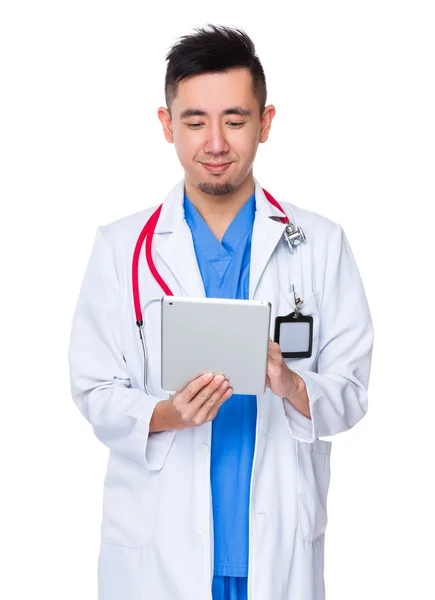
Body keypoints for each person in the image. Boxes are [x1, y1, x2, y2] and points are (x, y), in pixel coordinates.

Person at [68, 24, 374, 600]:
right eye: (194, 121)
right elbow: (93, 389)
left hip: (275, 543)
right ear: (167, 126)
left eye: (234, 121)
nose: (214, 142)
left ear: (265, 122)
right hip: (159, 550)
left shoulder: (320, 244)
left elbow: (352, 391)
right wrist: (164, 414)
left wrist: (288, 383)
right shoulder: (121, 248)